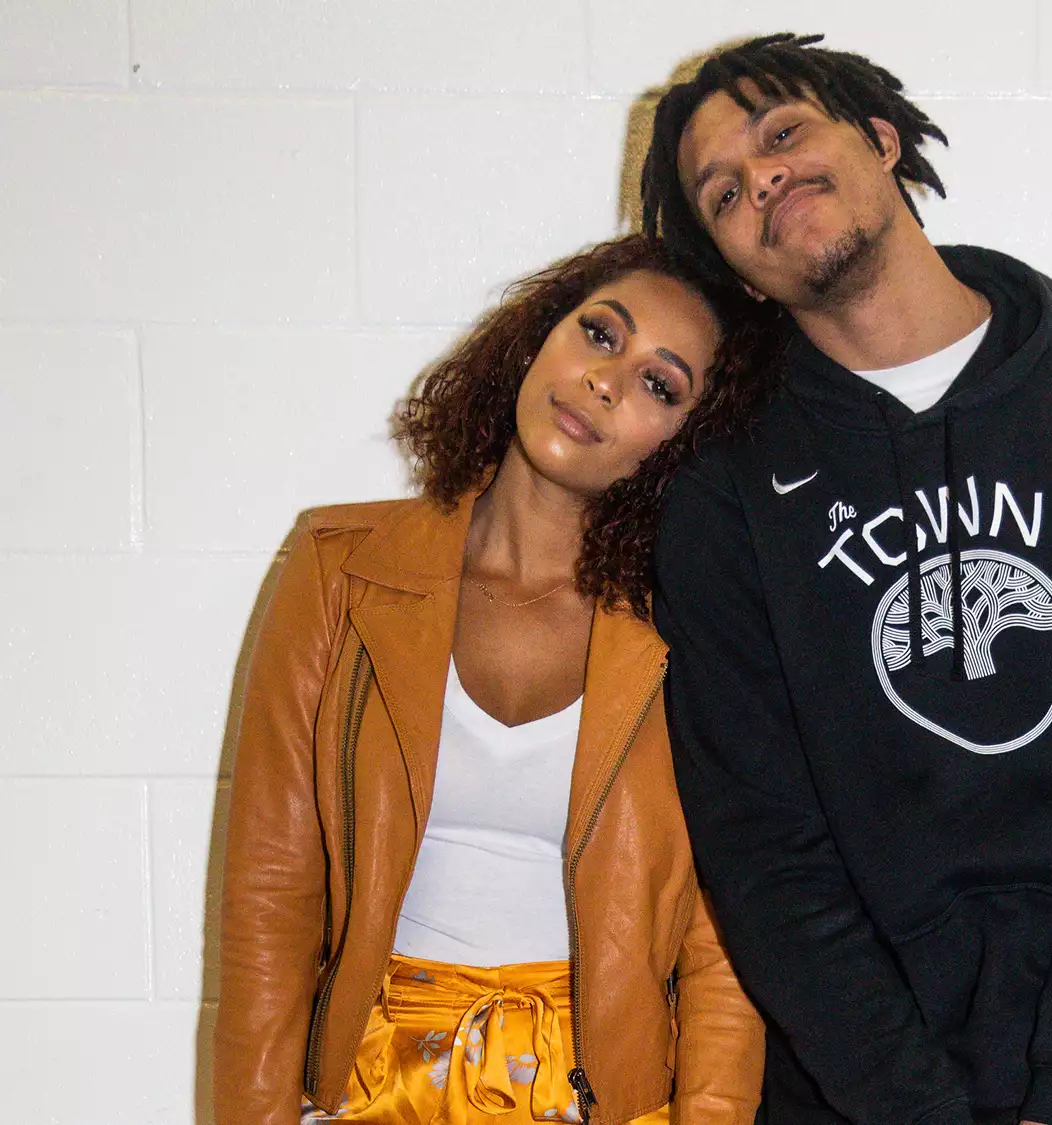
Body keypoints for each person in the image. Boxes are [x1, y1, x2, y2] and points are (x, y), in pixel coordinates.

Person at [638, 34, 1052, 1125]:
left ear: (883, 138)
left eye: (783, 132)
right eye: (722, 192)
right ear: (734, 267)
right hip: (865, 1079)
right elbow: (765, 856)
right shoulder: (724, 494)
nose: (761, 178)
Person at [213, 235, 779, 1125]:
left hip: (599, 1101)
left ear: (689, 443)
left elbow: (725, 940)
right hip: (372, 1087)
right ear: (536, 338)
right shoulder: (341, 569)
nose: (605, 380)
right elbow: (271, 894)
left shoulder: (696, 628)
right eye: (599, 335)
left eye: (658, 384)